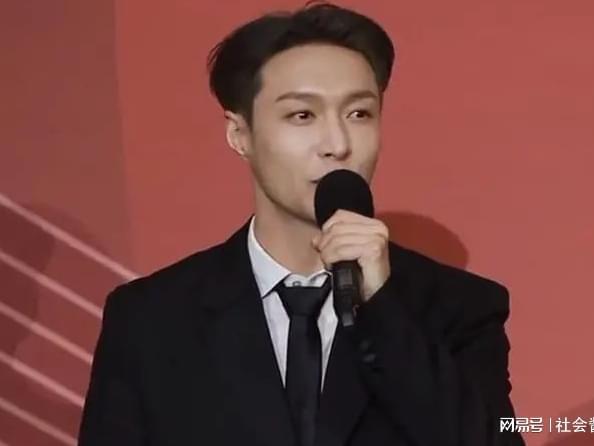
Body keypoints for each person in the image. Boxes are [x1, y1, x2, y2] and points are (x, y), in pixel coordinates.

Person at [78, 2, 525, 445]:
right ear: (239, 134)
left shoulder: (458, 307)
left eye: (359, 114)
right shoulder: (151, 320)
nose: (337, 144)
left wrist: (383, 309)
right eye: (302, 116)